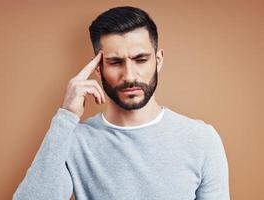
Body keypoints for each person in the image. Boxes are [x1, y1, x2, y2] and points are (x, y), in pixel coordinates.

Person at [13, 6, 230, 200]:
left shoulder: (201, 139)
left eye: (141, 59)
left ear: (158, 60)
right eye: (115, 62)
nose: (129, 75)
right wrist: (66, 116)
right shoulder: (74, 140)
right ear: (98, 68)